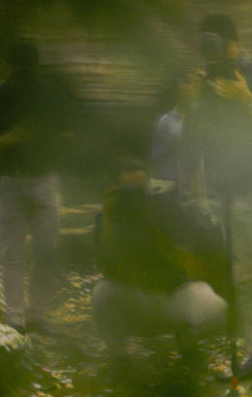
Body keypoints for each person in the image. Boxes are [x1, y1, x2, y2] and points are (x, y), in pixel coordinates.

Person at [184, 13, 252, 390]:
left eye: (216, 43)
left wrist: (245, 98)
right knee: (245, 278)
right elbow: (198, 136)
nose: (211, 52)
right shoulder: (209, 82)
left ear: (235, 42)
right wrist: (196, 103)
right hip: (231, 192)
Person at [91, 158, 227, 380]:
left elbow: (189, 261)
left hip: (173, 296)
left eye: (140, 187)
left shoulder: (165, 209)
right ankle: (118, 358)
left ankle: (187, 340)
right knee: (102, 293)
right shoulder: (108, 217)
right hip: (135, 301)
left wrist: (152, 229)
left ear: (149, 185)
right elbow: (105, 268)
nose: (134, 195)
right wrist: (108, 217)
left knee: (217, 309)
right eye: (128, 190)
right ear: (115, 190)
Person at [0, 42, 76, 334]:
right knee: (12, 254)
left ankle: (35, 315)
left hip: (46, 179)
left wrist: (51, 137)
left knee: (48, 249)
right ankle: (15, 320)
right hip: (11, 181)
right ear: (10, 68)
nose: (23, 74)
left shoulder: (51, 96)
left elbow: (70, 135)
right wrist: (13, 137)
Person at [150, 69, 203, 195]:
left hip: (198, 183)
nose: (187, 95)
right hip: (172, 182)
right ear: (177, 95)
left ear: (196, 94)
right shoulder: (165, 121)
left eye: (190, 91)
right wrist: (171, 147)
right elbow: (155, 155)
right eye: (183, 92)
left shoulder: (203, 121)